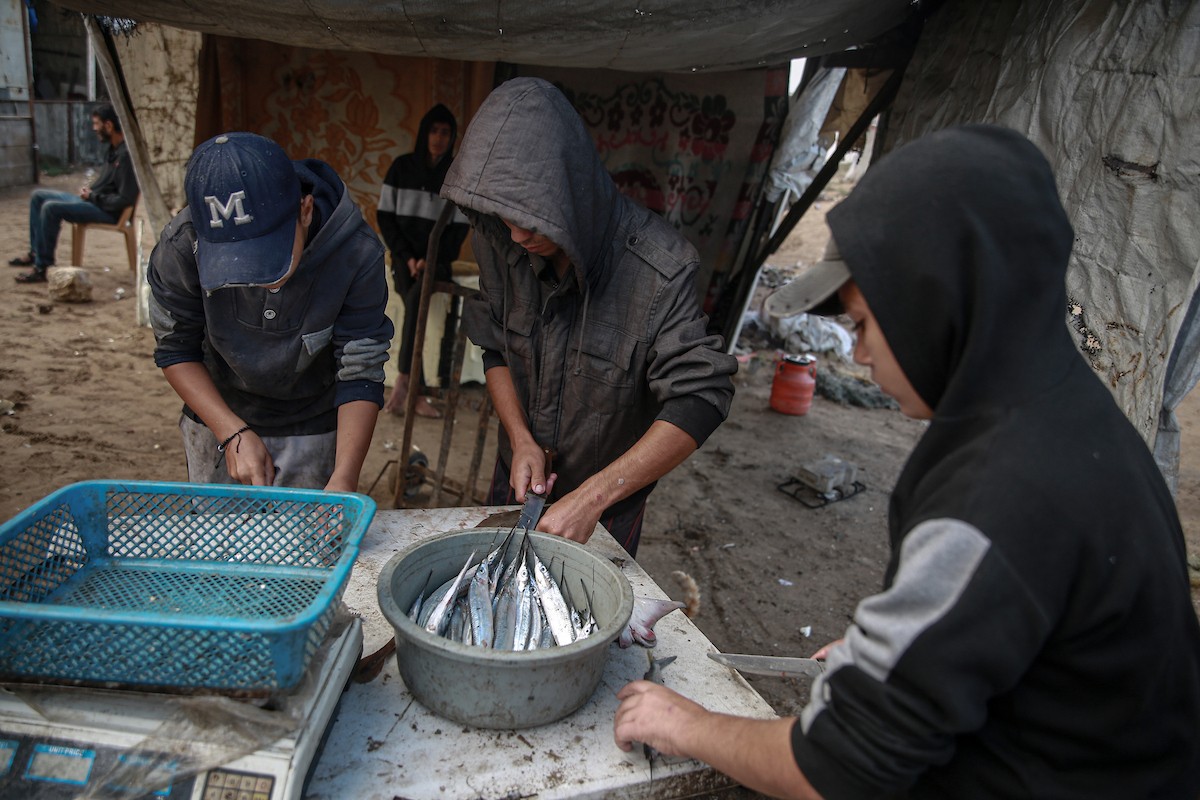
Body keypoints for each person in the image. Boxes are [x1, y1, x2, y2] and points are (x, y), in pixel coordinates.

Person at [612, 125, 1200, 798]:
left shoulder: (998, 495)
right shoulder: (1064, 408)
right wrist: (915, 664)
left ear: (935, 303)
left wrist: (686, 723)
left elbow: (831, 769)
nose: (858, 355)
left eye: (862, 326)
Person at [441, 77, 737, 556]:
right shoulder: (499, 240)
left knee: (586, 621)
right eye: (505, 218)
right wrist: (520, 440)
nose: (517, 236)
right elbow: (494, 346)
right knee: (496, 610)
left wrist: (594, 496)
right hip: (517, 475)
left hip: (608, 504)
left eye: (533, 220)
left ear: (569, 192)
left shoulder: (659, 270)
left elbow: (701, 396)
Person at [148, 132, 394, 492]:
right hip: (216, 408)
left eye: (268, 260)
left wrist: (345, 476)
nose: (256, 280)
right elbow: (175, 348)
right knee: (218, 540)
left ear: (305, 210)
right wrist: (230, 432)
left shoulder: (356, 253)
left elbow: (360, 369)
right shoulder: (181, 246)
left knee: (311, 540)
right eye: (234, 266)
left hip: (313, 420)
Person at [377, 103, 470, 418]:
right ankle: (417, 387)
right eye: (434, 131)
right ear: (424, 133)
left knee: (415, 303)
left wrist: (431, 260)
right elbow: (385, 216)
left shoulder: (456, 175)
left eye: (445, 132)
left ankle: (405, 381)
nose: (439, 138)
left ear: (452, 137)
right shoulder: (402, 167)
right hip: (404, 260)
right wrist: (408, 257)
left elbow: (458, 229)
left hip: (438, 262)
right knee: (415, 304)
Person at [11, 102, 138, 283]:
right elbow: (106, 184)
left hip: (107, 211)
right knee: (38, 196)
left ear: (108, 125)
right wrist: (90, 191)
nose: (94, 129)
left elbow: (124, 199)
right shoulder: (112, 150)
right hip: (93, 201)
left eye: (96, 124)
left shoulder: (125, 156)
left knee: (50, 208)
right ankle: (35, 253)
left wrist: (92, 196)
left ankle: (42, 266)